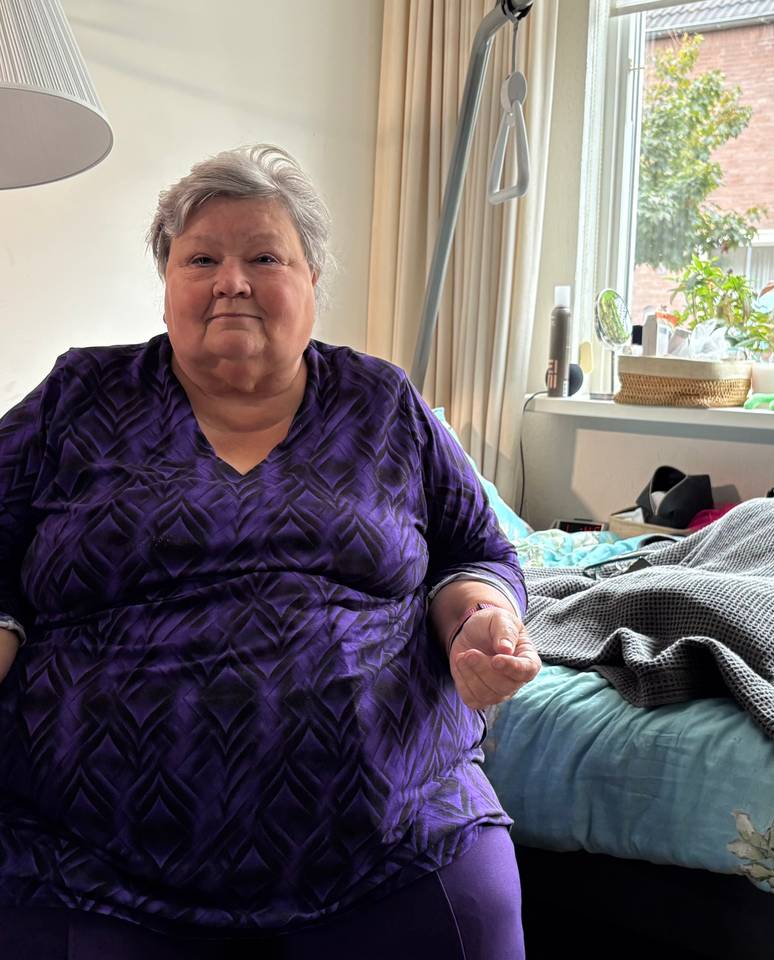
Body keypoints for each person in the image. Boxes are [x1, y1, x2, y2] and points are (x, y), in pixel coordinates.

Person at [0, 145, 540, 959]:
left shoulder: (382, 402)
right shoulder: (81, 397)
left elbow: (475, 548)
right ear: (167, 281)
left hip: (399, 837)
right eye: (201, 260)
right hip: (82, 857)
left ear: (312, 279)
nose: (232, 282)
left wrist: (478, 618)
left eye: (264, 257)